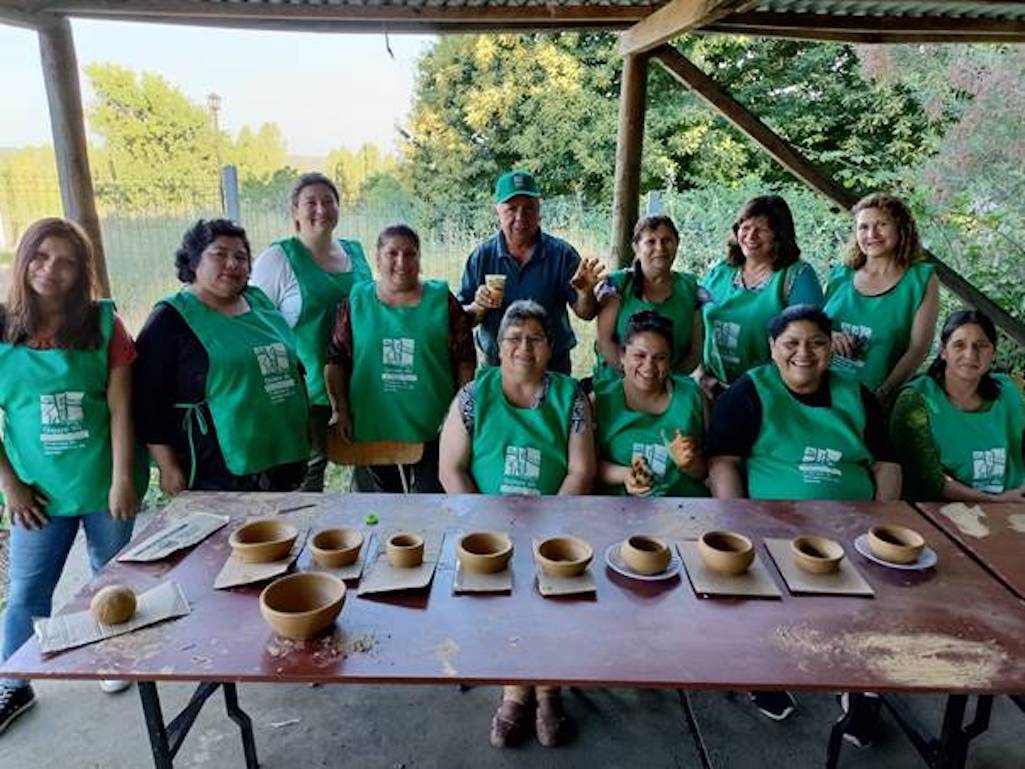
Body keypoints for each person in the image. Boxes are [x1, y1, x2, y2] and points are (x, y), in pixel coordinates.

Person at [706, 304, 900, 736]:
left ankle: (860, 690)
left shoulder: (857, 395)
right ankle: (766, 670)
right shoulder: (749, 391)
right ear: (773, 348)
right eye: (791, 343)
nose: (804, 353)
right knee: (770, 587)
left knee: (866, 595)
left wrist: (880, 522)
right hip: (773, 529)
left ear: (832, 348)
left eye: (816, 343)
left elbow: (886, 464)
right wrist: (738, 524)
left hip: (852, 526)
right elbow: (722, 462)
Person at [0, 218, 146, 732]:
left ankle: (110, 655)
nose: (51, 270)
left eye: (66, 260)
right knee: (27, 591)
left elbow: (122, 409)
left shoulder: (103, 323)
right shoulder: (1, 328)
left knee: (110, 574)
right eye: (40, 257)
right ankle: (11, 684)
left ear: (82, 270)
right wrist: (10, 485)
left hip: (103, 482)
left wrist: (123, 479)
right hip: (35, 493)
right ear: (23, 261)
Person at [438, 300, 595, 748]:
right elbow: (452, 469)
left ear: (550, 348)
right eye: (513, 338)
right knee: (500, 601)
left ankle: (548, 690)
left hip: (556, 524)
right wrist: (483, 527)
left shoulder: (570, 396)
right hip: (489, 527)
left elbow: (580, 471)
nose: (523, 347)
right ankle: (513, 692)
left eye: (535, 339)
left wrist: (552, 530)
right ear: (497, 347)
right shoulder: (473, 395)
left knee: (554, 599)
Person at [134, 219, 310, 494]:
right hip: (218, 469)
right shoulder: (170, 320)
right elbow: (147, 402)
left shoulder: (259, 302)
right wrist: (167, 467)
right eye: (220, 254)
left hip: (283, 455)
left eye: (241, 257)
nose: (232, 264)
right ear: (193, 262)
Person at [324, 224, 475, 492]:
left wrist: (459, 412)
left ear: (419, 258)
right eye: (392, 253)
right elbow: (336, 360)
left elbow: (464, 359)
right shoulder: (357, 302)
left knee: (432, 503)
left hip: (434, 427)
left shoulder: (442, 301)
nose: (401, 262)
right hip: (373, 426)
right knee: (381, 509)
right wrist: (340, 409)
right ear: (377, 258)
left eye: (410, 254)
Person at [251, 172, 372, 491]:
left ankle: (365, 536)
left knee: (368, 467)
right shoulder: (278, 259)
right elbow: (256, 324)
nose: (321, 209)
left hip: (359, 385)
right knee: (309, 471)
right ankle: (306, 536)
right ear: (295, 211)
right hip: (305, 392)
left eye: (329, 201)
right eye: (311, 202)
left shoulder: (355, 253)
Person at [457, 169, 605, 375]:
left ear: (539, 210)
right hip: (498, 369)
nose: (520, 217)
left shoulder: (562, 255)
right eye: (511, 209)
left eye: (528, 208)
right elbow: (461, 321)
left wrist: (585, 292)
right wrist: (478, 306)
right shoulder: (482, 257)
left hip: (552, 369)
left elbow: (586, 313)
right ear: (497, 211)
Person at [892, 309, 1024, 502]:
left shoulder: (1009, 392)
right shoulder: (915, 400)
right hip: (944, 512)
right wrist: (996, 501)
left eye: (981, 346)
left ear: (994, 353)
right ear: (943, 351)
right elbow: (929, 480)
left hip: (1014, 503)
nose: (970, 354)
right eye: (959, 345)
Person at [823, 193, 940, 402]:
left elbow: (918, 350)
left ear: (900, 228)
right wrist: (828, 335)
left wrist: (882, 395)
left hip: (876, 400)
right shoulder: (840, 274)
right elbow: (812, 328)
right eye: (863, 227)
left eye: (881, 224)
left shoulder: (921, 280)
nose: (871, 234)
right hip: (822, 391)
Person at [700, 195, 823, 392]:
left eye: (762, 230)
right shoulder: (720, 272)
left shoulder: (798, 277)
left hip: (767, 394)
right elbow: (694, 324)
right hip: (709, 389)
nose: (751, 236)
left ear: (779, 235)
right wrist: (700, 376)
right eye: (745, 228)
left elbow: (809, 343)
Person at [594, 310, 708, 496]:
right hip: (619, 512)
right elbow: (584, 465)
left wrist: (690, 463)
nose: (649, 366)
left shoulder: (693, 397)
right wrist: (625, 475)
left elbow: (710, 470)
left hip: (685, 509)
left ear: (670, 360)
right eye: (640, 356)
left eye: (660, 358)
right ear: (622, 356)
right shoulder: (599, 400)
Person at [593, 216, 702, 385]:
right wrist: (639, 381)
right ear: (636, 247)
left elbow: (695, 352)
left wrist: (662, 383)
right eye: (651, 242)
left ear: (677, 244)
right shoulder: (617, 286)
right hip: (615, 386)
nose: (660, 248)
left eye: (667, 240)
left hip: (670, 388)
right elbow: (604, 342)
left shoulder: (691, 288)